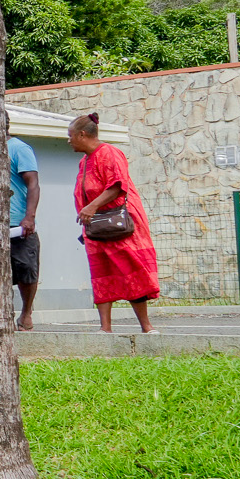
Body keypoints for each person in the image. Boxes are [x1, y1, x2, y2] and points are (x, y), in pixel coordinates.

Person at [69, 112, 158, 333]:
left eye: (70, 136)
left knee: (131, 269)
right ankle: (105, 328)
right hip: (96, 226)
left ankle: (146, 327)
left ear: (82, 134)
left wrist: (92, 207)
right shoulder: (84, 160)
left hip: (118, 222)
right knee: (101, 272)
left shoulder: (110, 153)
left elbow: (118, 185)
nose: (68, 140)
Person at [8, 132, 40, 330]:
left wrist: (29, 217)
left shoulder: (19, 148)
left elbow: (33, 183)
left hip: (18, 223)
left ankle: (26, 313)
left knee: (27, 268)